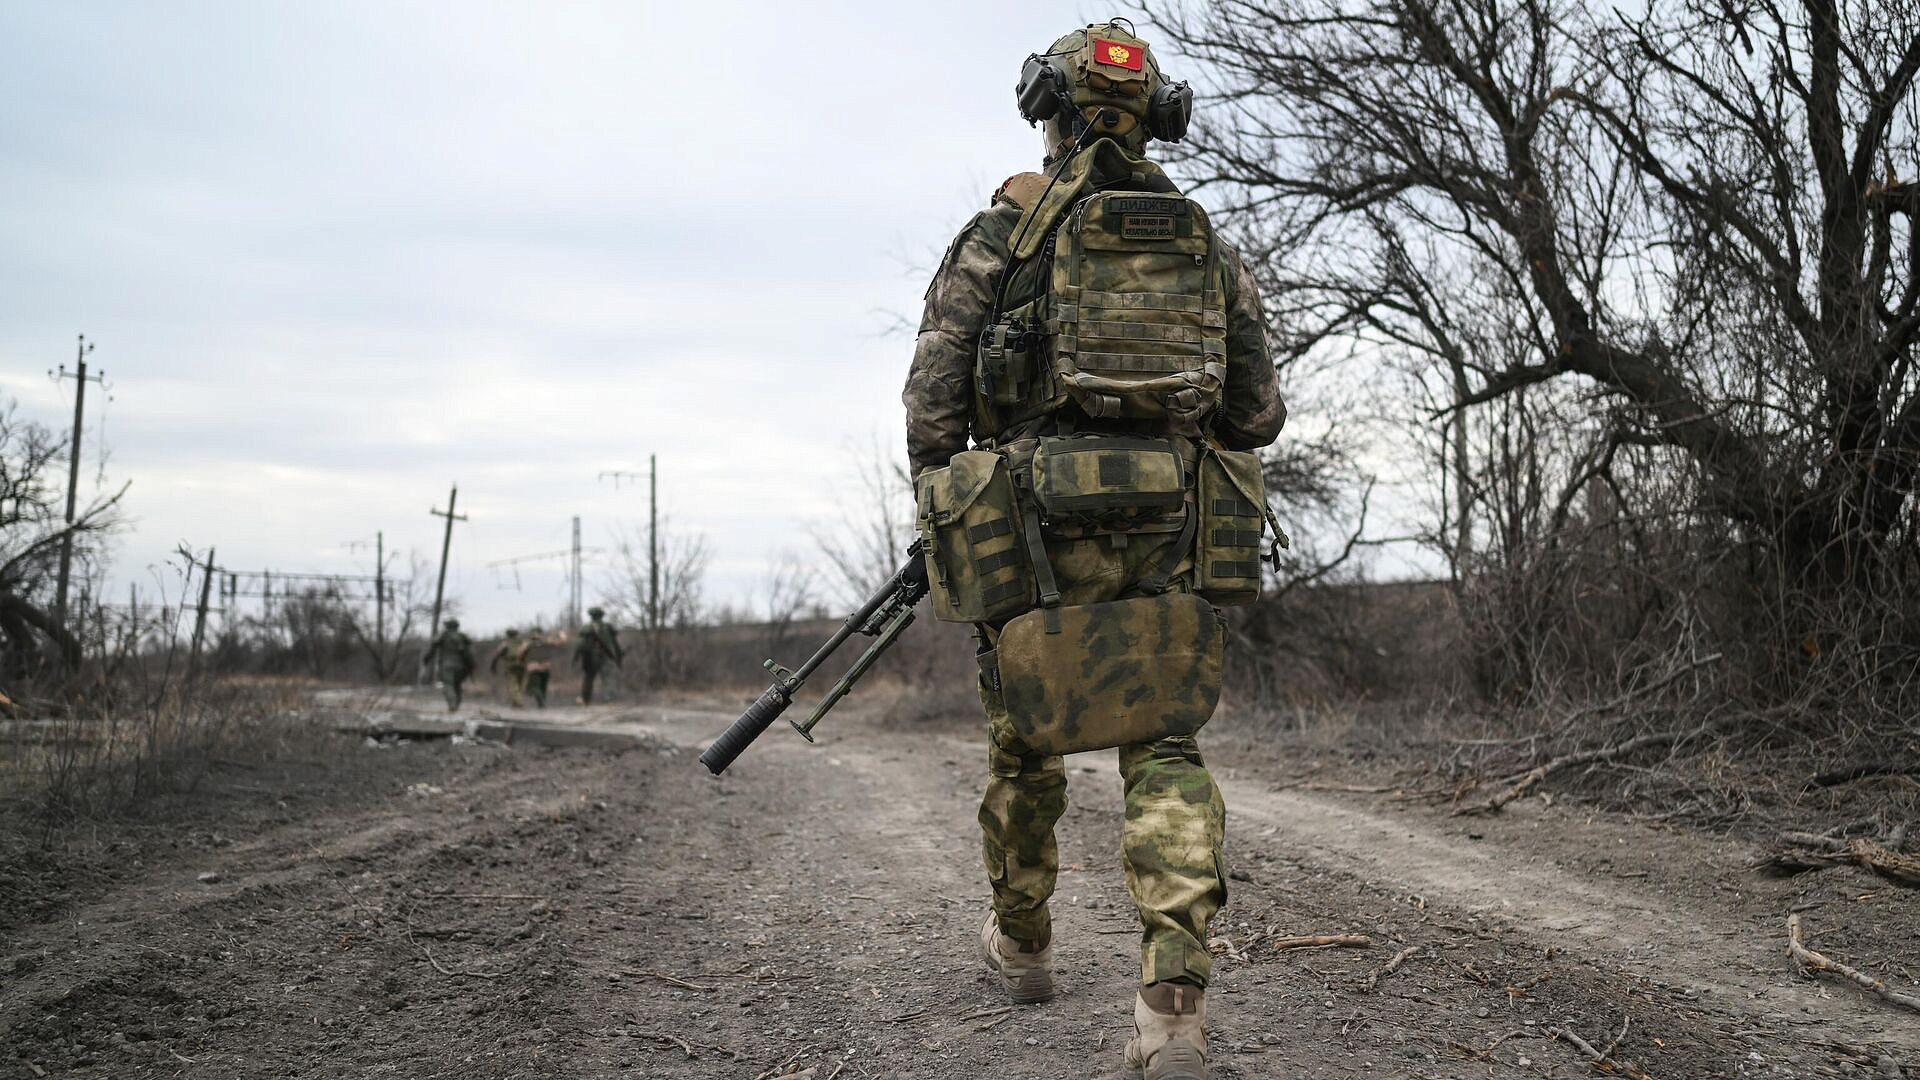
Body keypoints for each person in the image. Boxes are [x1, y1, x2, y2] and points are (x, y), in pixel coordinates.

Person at [901, 21, 1285, 1080]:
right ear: (1156, 115)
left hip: (1035, 528)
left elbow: (932, 416)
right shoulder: (1201, 238)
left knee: (1026, 738)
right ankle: (1172, 1004)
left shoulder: (1003, 236)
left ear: (1050, 112)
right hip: (1166, 526)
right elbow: (1255, 414)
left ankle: (1023, 943)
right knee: (1163, 748)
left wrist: (970, 483)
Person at [573, 606, 623, 704]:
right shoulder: (608, 627)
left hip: (591, 658)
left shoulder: (586, 628)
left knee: (588, 678)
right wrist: (618, 654)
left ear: (591, 616)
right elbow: (615, 643)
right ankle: (610, 700)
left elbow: (580, 644)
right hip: (606, 656)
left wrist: (577, 656)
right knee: (608, 678)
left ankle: (585, 700)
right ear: (601, 616)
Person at [423, 618, 475, 712]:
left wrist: (426, 659)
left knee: (448, 685)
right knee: (457, 685)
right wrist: (471, 666)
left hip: (447, 665)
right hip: (461, 666)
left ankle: (452, 704)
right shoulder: (462, 636)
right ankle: (456, 705)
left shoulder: (444, 635)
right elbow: (470, 652)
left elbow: (433, 648)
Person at [489, 628, 529, 706]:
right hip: (521, 665)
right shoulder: (522, 643)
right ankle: (515, 703)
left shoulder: (505, 643)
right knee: (518, 684)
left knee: (513, 684)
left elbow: (497, 655)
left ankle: (519, 702)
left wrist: (493, 666)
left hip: (510, 665)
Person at [522, 627, 555, 708]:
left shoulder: (528, 644)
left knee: (537, 687)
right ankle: (542, 702)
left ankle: (541, 703)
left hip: (534, 667)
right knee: (542, 686)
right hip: (545, 667)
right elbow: (559, 642)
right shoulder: (545, 641)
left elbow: (520, 653)